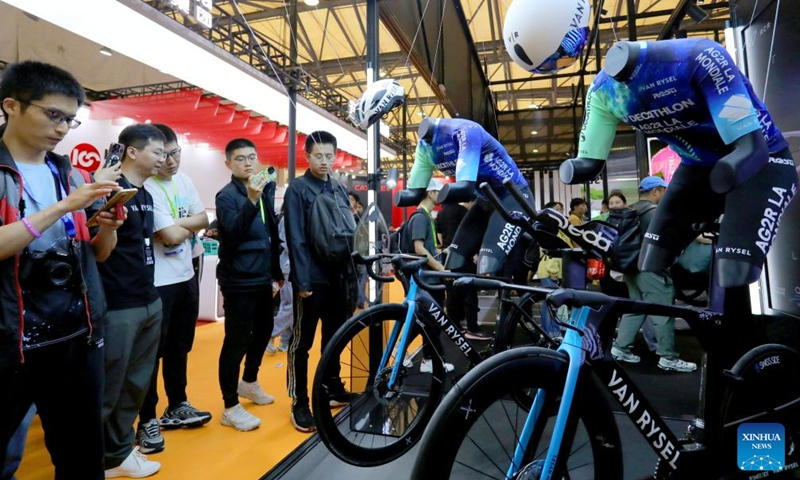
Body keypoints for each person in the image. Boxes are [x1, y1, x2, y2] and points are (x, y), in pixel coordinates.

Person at [560, 38, 797, 290]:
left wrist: (728, 171)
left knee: (735, 271)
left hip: (760, 162)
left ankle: (737, 320)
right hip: (697, 167)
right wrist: (578, 167)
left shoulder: (697, 57)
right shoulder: (603, 91)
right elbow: (590, 162)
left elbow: (752, 149)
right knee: (651, 258)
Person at [0, 61, 122, 480]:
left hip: (78, 335)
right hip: (10, 340)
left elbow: (99, 256)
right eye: (53, 115)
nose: (62, 128)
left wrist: (107, 228)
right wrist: (65, 206)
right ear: (12, 106)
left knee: (82, 454)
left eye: (70, 119)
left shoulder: (70, 173)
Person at [99, 124, 166, 478]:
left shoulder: (146, 195)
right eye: (157, 152)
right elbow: (96, 248)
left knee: (137, 383)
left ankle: (119, 452)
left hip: (148, 298)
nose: (163, 159)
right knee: (109, 386)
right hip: (117, 304)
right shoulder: (108, 191)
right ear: (132, 152)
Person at [139, 124, 211, 444]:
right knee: (151, 354)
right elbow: (168, 236)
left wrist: (174, 224)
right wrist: (180, 226)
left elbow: (204, 220)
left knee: (180, 347)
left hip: (186, 275)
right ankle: (147, 420)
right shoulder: (145, 187)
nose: (170, 161)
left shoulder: (185, 180)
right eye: (163, 154)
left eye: (175, 152)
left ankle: (177, 404)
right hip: (157, 282)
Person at [396, 117, 533, 277]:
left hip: (513, 196)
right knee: (453, 260)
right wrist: (408, 196)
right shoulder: (424, 147)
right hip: (486, 200)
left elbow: (465, 187)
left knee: (488, 261)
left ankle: (506, 298)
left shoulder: (464, 130)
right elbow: (416, 192)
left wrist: (444, 195)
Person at [284, 131, 357, 433]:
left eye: (329, 156)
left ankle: (332, 385)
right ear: (307, 156)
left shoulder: (338, 188)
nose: (325, 161)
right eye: (319, 156)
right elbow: (296, 238)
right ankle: (299, 400)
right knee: (302, 342)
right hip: (311, 278)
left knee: (334, 337)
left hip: (338, 275)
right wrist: (301, 280)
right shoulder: (297, 190)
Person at [215, 138, 283, 432]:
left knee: (265, 331)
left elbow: (271, 236)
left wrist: (277, 273)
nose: (248, 163)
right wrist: (252, 199)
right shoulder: (226, 196)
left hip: (262, 277)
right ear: (229, 164)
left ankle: (249, 381)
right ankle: (230, 406)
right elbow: (231, 234)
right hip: (239, 279)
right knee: (236, 340)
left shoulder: (263, 191)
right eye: (241, 158)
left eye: (252, 157)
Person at [610, 176, 697, 372]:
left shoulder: (632, 209)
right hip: (651, 269)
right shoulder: (654, 212)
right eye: (664, 190)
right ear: (656, 191)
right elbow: (667, 240)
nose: (666, 193)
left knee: (635, 308)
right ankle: (668, 357)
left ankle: (620, 348)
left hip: (631, 268)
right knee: (664, 311)